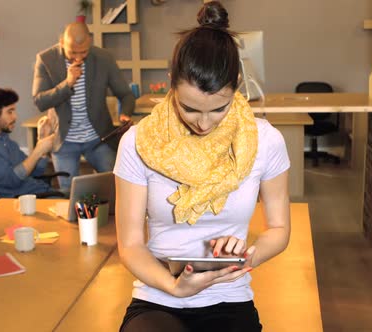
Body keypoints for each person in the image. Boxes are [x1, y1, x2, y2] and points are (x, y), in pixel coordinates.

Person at [113, 2, 291, 331]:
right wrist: (174, 287)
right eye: (190, 109)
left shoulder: (265, 141)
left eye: (218, 109)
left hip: (229, 298)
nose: (204, 124)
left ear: (236, 84)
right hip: (157, 297)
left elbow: (280, 230)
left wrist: (246, 256)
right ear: (170, 83)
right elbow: (131, 245)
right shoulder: (138, 143)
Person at [32, 22, 135, 192]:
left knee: (116, 186)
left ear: (90, 42)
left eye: (84, 52)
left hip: (99, 137)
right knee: (67, 193)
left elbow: (126, 94)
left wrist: (125, 113)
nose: (78, 58)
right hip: (64, 140)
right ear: (62, 43)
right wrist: (68, 83)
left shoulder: (104, 58)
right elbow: (40, 101)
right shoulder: (46, 60)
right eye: (72, 52)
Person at [0, 88, 56, 198]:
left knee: (80, 201)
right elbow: (12, 181)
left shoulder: (4, 139)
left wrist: (42, 138)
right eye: (10, 111)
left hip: (42, 192)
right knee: (80, 208)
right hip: (29, 202)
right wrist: (38, 151)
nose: (15, 116)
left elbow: (36, 171)